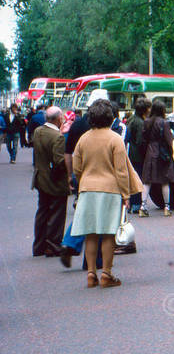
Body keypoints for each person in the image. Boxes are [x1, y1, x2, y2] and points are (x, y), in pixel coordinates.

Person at [70, 99, 142, 288]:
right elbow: (121, 170)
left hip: (87, 188)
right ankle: (107, 274)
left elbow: (76, 167)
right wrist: (126, 194)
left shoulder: (84, 139)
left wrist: (84, 179)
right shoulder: (114, 139)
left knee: (91, 234)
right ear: (110, 117)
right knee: (108, 234)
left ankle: (91, 273)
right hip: (110, 189)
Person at [32, 106, 69, 257]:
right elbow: (59, 161)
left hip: (40, 177)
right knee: (57, 213)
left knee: (42, 211)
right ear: (59, 119)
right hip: (54, 181)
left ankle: (39, 246)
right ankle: (53, 245)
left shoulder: (38, 132)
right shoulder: (57, 137)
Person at [140, 100, 174, 217]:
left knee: (146, 181)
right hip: (161, 154)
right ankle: (167, 207)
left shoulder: (146, 122)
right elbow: (168, 140)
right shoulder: (164, 123)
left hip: (150, 153)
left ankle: (143, 206)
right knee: (165, 182)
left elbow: (144, 137)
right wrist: (171, 153)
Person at [125, 98, 151, 214]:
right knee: (138, 179)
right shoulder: (140, 122)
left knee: (133, 177)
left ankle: (131, 203)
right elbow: (141, 141)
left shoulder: (132, 119)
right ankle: (136, 204)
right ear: (145, 109)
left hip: (131, 153)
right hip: (138, 155)